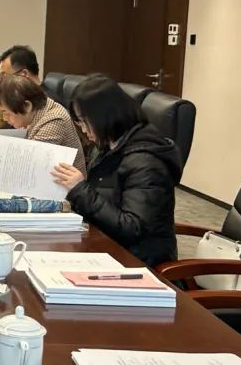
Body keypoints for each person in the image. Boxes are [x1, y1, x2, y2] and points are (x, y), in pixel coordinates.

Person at [52, 74, 183, 266]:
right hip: (105, 245)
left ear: (103, 116)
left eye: (84, 121)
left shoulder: (146, 162)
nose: (83, 129)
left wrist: (80, 190)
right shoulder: (107, 146)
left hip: (137, 261)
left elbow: (133, 228)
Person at [0, 74, 86, 173]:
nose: (5, 118)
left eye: (6, 113)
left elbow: (26, 163)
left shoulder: (54, 120)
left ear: (27, 106)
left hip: (67, 193)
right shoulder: (37, 112)